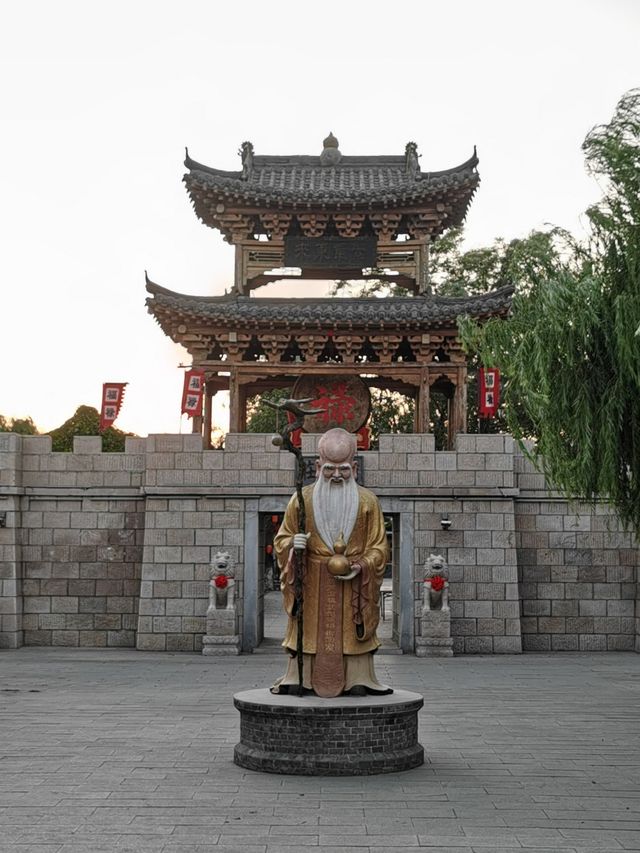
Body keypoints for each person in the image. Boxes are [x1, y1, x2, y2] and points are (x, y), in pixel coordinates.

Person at [271, 428, 392, 698]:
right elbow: (282, 539)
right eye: (329, 469)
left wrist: (361, 566)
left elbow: (379, 547)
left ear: (355, 469)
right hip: (312, 580)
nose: (337, 475)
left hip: (352, 581)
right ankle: (300, 676)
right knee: (309, 631)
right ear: (317, 467)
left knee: (353, 633)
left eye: (344, 469)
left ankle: (358, 678)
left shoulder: (368, 502)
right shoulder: (301, 500)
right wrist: (294, 545)